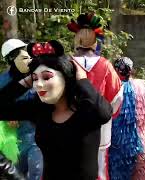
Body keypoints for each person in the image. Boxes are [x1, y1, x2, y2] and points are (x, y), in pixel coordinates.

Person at [0, 40, 113, 180]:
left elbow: (105, 113)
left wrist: (82, 80)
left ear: (66, 77)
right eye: (35, 79)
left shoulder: (87, 109)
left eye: (46, 77)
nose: (39, 84)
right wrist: (26, 82)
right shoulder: (40, 109)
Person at [67, 13, 123, 180]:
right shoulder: (105, 65)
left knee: (71, 167)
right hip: (100, 127)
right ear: (95, 41)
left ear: (77, 39)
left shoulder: (67, 63)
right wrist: (106, 114)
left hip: (70, 124)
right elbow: (117, 97)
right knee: (100, 169)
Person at [112, 57, 145, 180]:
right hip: (139, 139)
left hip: (115, 139)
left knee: (117, 170)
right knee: (139, 170)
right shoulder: (142, 88)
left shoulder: (111, 88)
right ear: (132, 70)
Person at [1, 38, 43, 180]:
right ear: (10, 59)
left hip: (36, 136)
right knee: (16, 175)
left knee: (37, 172)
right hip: (12, 141)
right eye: (17, 54)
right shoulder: (2, 81)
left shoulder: (36, 75)